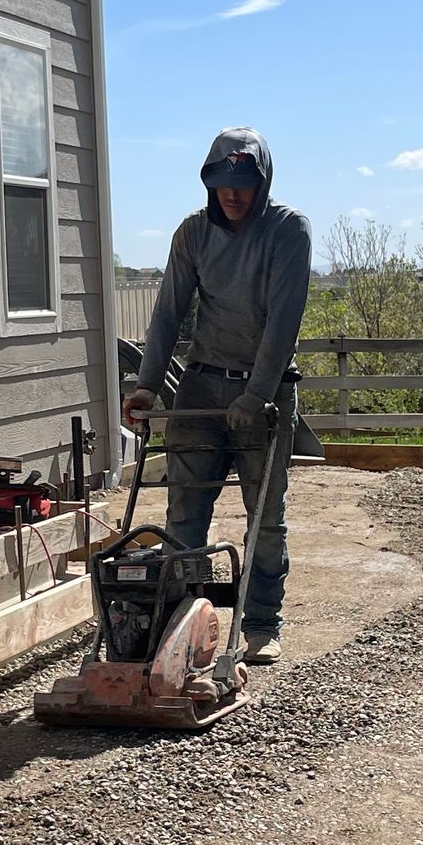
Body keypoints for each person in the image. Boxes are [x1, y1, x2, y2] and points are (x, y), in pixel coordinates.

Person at [123, 127, 312, 663]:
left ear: (262, 180)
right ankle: (183, 620)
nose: (233, 194)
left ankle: (260, 622)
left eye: (244, 182)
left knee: (264, 516)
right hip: (202, 387)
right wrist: (147, 388)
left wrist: (254, 396)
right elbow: (167, 314)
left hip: (267, 391)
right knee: (184, 511)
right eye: (222, 182)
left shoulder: (287, 230)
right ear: (209, 183)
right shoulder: (192, 234)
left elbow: (283, 322)